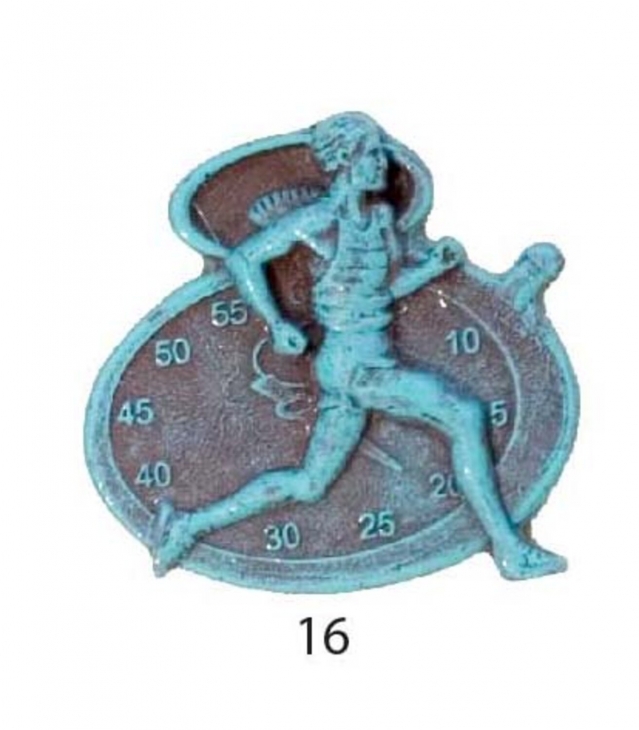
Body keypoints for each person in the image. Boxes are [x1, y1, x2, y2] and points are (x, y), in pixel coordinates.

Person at [152, 112, 566, 580]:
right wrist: (277, 323)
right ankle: (509, 549)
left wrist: (433, 269)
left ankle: (187, 525)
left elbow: (381, 293)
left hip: (366, 362)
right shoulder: (318, 222)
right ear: (346, 162)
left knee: (310, 483)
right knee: (464, 414)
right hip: (356, 369)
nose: (382, 164)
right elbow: (245, 259)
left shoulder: (380, 220)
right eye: (372, 155)